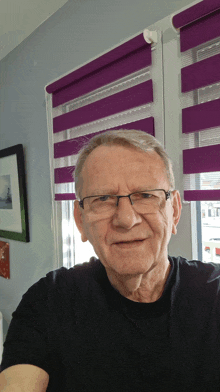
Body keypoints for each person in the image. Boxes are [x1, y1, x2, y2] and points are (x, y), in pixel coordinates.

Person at [0, 129, 220, 392]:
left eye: (146, 195)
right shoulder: (49, 301)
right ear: (80, 221)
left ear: (174, 212)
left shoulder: (215, 294)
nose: (126, 219)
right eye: (102, 199)